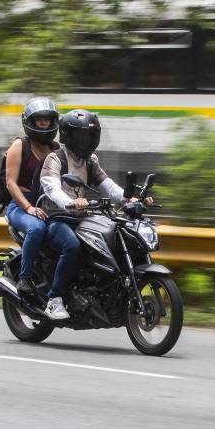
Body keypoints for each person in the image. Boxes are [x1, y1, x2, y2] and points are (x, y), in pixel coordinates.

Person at [38, 108, 150, 320]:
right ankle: (55, 300)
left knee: (111, 237)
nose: (87, 140)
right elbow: (51, 187)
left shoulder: (90, 160)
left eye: (90, 135)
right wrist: (70, 203)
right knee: (72, 245)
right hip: (57, 218)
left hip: (82, 217)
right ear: (68, 135)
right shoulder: (55, 158)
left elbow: (107, 185)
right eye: (82, 135)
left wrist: (129, 199)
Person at [4, 97, 60, 297]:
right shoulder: (20, 145)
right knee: (36, 228)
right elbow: (10, 182)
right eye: (39, 119)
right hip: (21, 204)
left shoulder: (56, 149)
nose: (44, 123)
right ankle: (25, 278)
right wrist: (28, 208)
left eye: (47, 119)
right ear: (30, 121)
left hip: (50, 204)